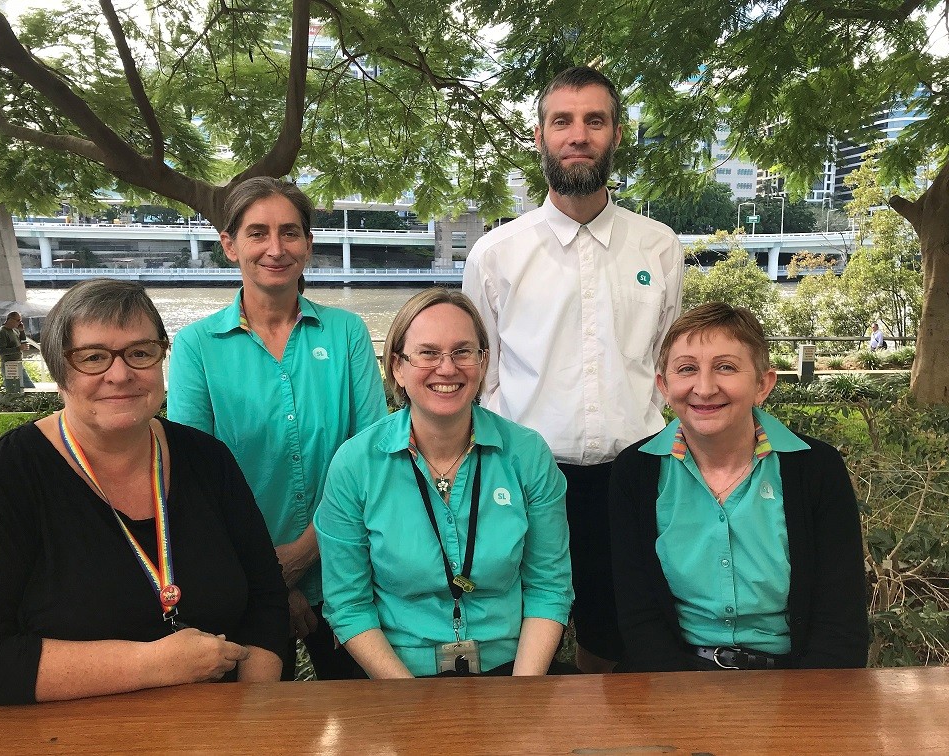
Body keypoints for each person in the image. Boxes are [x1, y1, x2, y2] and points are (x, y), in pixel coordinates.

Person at [0, 279, 288, 705]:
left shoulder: (207, 459)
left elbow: (266, 601)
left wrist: (253, 715)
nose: (120, 374)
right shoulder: (3, 479)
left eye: (140, 353)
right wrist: (153, 665)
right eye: (93, 357)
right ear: (57, 368)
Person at [461, 66, 684, 671]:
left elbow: (669, 367)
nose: (577, 134)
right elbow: (480, 376)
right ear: (540, 135)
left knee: (616, 641)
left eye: (595, 120)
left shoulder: (658, 246)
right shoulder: (496, 254)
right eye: (562, 120)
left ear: (616, 134)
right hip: (523, 472)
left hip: (636, 474)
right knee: (514, 630)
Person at [168, 177, 387, 680]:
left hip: (345, 570)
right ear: (229, 244)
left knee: (367, 719)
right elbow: (194, 477)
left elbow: (371, 454)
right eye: (257, 233)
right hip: (239, 577)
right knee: (254, 728)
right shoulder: (197, 346)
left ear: (308, 244)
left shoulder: (347, 333)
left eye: (290, 233)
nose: (275, 248)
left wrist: (309, 551)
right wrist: (273, 581)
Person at [314, 288, 573, 678]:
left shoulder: (527, 455)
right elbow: (347, 604)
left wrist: (523, 696)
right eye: (428, 353)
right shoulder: (356, 464)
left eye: (463, 352)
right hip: (394, 675)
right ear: (397, 367)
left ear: (483, 362)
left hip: (515, 670)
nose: (447, 368)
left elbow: (548, 587)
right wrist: (409, 700)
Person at [608, 302, 869, 671]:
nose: (704, 387)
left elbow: (839, 619)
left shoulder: (815, 469)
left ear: (763, 384)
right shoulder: (635, 472)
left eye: (726, 367)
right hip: (671, 676)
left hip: (795, 678)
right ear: (664, 386)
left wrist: (808, 706)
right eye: (687, 370)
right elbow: (638, 615)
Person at [0, 311, 36, 388]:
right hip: (9, 365)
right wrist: (18, 348)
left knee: (23, 388)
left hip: (17, 364)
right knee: (19, 388)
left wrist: (21, 331)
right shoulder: (2, 333)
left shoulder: (14, 330)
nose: (19, 323)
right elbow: (0, 351)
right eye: (18, 320)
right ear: (10, 320)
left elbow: (22, 341)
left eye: (20, 321)